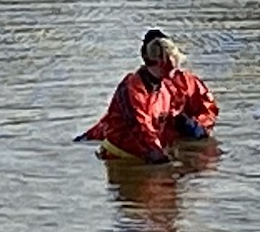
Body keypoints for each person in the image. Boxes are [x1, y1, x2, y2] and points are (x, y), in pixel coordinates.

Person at [78, 28, 184, 164]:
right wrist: (159, 157)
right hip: (120, 157)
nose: (176, 70)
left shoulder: (166, 89)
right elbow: (140, 127)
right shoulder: (132, 88)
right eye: (172, 65)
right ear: (162, 63)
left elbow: (167, 124)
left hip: (145, 154)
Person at [143, 33, 219, 146]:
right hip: (162, 142)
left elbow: (208, 108)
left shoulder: (188, 82)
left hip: (190, 138)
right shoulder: (142, 87)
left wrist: (199, 125)